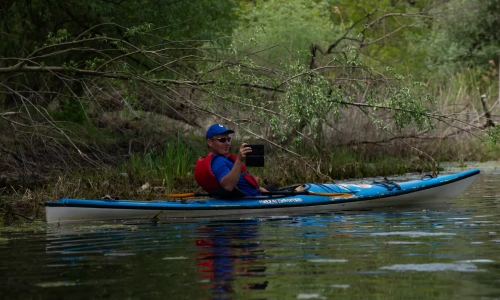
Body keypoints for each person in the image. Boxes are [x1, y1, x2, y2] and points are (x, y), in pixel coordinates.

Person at [194, 124, 269, 197]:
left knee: (272, 188)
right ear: (210, 142)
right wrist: (239, 160)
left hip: (256, 194)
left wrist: (260, 189)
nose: (227, 143)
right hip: (248, 199)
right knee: (274, 189)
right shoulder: (218, 161)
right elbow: (228, 186)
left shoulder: (224, 158)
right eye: (222, 140)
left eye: (228, 139)